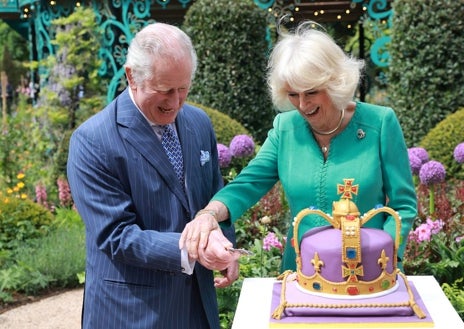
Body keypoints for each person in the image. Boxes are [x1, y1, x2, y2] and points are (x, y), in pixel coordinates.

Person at [180, 21, 417, 273]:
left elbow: (403, 204)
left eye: (311, 92)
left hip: (368, 271)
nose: (303, 105)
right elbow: (246, 185)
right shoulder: (285, 128)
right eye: (293, 94)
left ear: (335, 82)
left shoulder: (380, 123)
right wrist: (208, 214)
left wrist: (388, 256)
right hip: (303, 272)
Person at [67, 22, 239, 329]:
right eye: (164, 90)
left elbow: (215, 196)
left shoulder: (199, 123)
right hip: (132, 313)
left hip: (198, 310)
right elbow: (116, 236)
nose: (175, 102)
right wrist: (195, 248)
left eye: (183, 88)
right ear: (132, 76)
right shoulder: (92, 141)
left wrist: (225, 246)